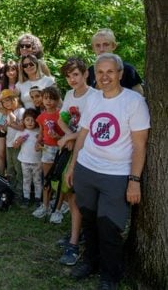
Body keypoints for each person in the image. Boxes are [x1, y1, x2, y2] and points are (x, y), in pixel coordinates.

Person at [66, 53, 149, 289]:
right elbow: (83, 133)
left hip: (116, 175)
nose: (104, 76)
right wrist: (73, 166)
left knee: (109, 226)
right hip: (86, 169)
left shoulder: (134, 102)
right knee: (89, 222)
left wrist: (134, 180)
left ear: (120, 74)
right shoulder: (93, 99)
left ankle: (110, 275)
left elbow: (139, 144)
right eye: (100, 72)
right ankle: (91, 261)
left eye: (110, 71)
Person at [56, 57, 99, 266]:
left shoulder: (95, 96)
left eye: (76, 74)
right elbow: (61, 118)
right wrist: (68, 136)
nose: (72, 79)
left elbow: (91, 127)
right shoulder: (68, 94)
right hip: (72, 149)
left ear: (85, 74)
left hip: (89, 151)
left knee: (79, 197)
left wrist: (70, 138)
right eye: (68, 75)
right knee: (70, 194)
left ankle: (74, 243)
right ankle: (76, 233)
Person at [32, 86, 65, 221]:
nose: (49, 101)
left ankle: (58, 209)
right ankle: (45, 206)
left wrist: (57, 136)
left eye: (52, 98)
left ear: (58, 100)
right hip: (47, 150)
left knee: (61, 181)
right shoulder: (41, 117)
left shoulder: (61, 114)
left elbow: (66, 135)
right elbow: (41, 133)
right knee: (48, 180)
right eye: (46, 98)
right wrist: (38, 142)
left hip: (61, 150)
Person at [86, 28, 143, 95]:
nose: (101, 49)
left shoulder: (128, 69)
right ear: (93, 48)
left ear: (113, 46)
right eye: (98, 45)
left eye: (106, 45)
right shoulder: (91, 70)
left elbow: (139, 95)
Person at [0, 60, 19, 174]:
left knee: (15, 151)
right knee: (2, 152)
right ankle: (1, 176)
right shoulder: (2, 85)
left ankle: (15, 179)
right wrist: (7, 112)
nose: (11, 72)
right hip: (2, 123)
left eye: (13, 69)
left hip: (17, 123)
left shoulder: (21, 84)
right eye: (8, 70)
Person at [13, 108, 42, 208]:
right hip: (24, 161)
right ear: (23, 121)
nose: (30, 122)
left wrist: (41, 142)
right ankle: (26, 198)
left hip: (37, 161)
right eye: (28, 120)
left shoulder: (39, 132)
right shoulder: (21, 132)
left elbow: (43, 146)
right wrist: (19, 141)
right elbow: (15, 146)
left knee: (37, 180)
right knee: (26, 180)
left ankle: (38, 198)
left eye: (33, 120)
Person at [0, 89, 24, 187]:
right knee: (10, 167)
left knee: (18, 168)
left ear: (15, 99)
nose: (5, 104)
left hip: (17, 144)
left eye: (7, 100)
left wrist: (10, 125)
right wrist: (2, 128)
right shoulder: (10, 112)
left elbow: (21, 127)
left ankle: (20, 190)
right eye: (3, 102)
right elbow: (8, 128)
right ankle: (10, 187)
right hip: (9, 143)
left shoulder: (21, 111)